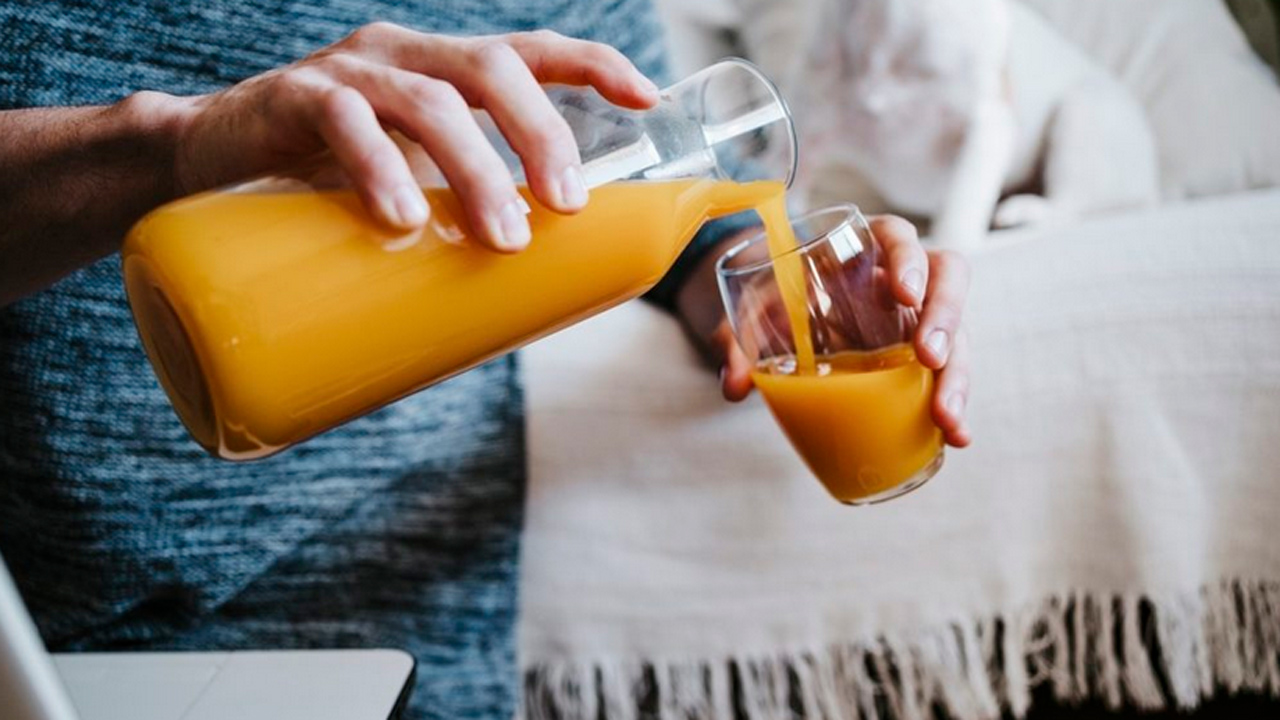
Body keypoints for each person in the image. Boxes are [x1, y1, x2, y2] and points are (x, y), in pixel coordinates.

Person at [0, 2, 971, 718]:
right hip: (62, 659)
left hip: (423, 655)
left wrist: (771, 292)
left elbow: (670, 189)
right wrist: (169, 147)